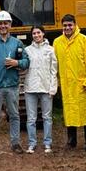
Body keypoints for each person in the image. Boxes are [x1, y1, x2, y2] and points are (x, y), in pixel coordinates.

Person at [0, 10, 29, 157]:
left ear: (10, 25)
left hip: (12, 86)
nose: (3, 26)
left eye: (6, 23)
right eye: (0, 23)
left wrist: (17, 62)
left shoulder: (17, 43)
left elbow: (26, 62)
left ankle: (15, 143)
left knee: (14, 115)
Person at [53, 14, 86, 152]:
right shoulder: (57, 42)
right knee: (70, 113)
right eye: (65, 25)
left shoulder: (85, 41)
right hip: (67, 85)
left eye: (70, 25)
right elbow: (54, 65)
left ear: (75, 25)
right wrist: (57, 83)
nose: (67, 28)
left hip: (83, 84)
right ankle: (71, 140)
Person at [24, 25, 58, 154]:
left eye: (38, 33)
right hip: (30, 88)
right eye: (34, 33)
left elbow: (53, 71)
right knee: (31, 118)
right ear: (31, 35)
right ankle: (32, 143)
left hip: (46, 88)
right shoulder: (27, 50)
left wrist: (52, 88)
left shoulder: (50, 50)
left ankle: (47, 143)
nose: (36, 35)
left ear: (43, 34)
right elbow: (24, 67)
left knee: (47, 117)